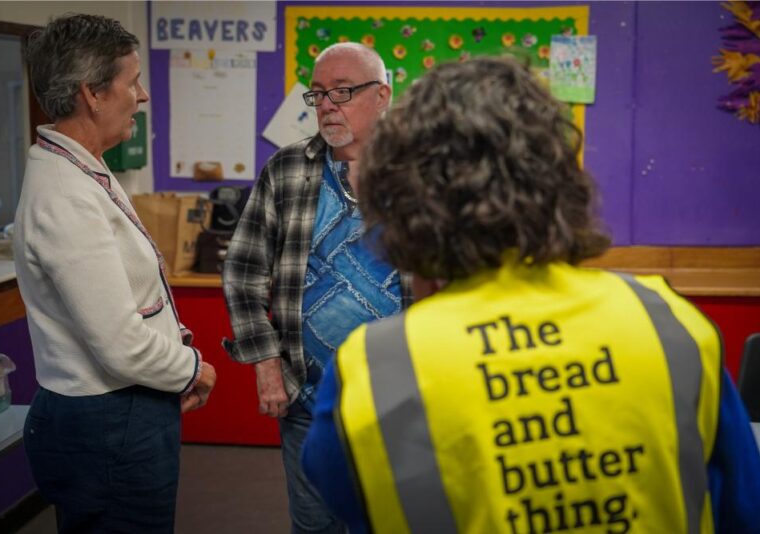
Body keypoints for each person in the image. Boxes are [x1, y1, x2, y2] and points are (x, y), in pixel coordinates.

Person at [302, 56, 760, 533]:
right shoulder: (671, 325)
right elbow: (742, 510)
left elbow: (344, 498)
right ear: (560, 182)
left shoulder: (374, 369)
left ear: (399, 203)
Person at [14, 14, 216, 533]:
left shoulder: (82, 168)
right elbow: (120, 343)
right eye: (132, 81)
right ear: (92, 94)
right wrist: (192, 367)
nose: (142, 96)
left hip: (122, 411)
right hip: (109, 422)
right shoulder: (65, 193)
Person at [223, 42, 410, 533]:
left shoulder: (421, 175)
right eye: (319, 94)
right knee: (315, 525)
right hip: (308, 400)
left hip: (400, 401)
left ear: (382, 95)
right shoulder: (286, 170)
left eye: (343, 91)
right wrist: (265, 364)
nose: (327, 105)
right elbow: (243, 271)